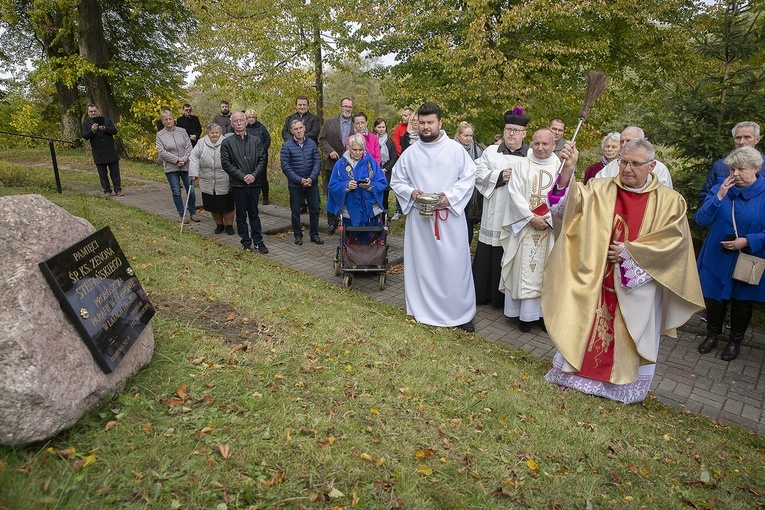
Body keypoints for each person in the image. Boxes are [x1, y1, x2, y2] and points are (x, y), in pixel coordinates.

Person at [542, 138, 704, 404]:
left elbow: (675, 245)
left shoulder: (669, 202)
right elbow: (567, 209)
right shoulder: (599, 188)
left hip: (636, 284)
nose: (627, 169)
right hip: (597, 276)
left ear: (652, 166)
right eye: (624, 162)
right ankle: (576, 376)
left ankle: (620, 386)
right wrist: (568, 170)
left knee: (629, 328)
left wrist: (630, 254)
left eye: (636, 164)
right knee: (589, 320)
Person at [391, 102, 477, 332]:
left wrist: (449, 198)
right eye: (422, 122)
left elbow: (469, 178)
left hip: (449, 218)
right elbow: (396, 181)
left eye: (431, 122)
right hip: (420, 221)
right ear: (417, 123)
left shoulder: (455, 150)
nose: (426, 127)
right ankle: (424, 310)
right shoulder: (410, 153)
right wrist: (412, 193)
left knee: (454, 265)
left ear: (440, 123)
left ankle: (460, 314)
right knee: (424, 265)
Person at [696, 146, 765, 362]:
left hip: (748, 257)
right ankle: (712, 334)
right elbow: (701, 220)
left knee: (742, 301)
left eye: (741, 169)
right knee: (714, 298)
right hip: (718, 256)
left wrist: (748, 240)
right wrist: (718, 197)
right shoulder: (721, 188)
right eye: (732, 169)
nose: (735, 174)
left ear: (756, 168)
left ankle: (735, 341)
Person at [499, 128, 560, 332]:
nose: (540, 148)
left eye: (545, 144)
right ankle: (524, 316)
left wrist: (549, 219)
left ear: (553, 145)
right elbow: (514, 194)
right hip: (525, 228)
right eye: (536, 143)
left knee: (548, 271)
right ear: (531, 143)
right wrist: (530, 217)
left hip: (549, 229)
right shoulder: (521, 165)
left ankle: (543, 316)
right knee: (523, 269)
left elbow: (565, 196)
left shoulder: (560, 167)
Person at [472, 107, 529, 309]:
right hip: (494, 213)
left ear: (524, 133)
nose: (511, 133)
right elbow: (475, 171)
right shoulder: (491, 151)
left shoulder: (530, 156)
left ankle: (505, 300)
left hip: (516, 216)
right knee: (490, 250)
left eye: (515, 130)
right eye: (508, 129)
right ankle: (483, 294)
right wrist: (499, 177)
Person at [221, 111, 269, 254]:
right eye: (235, 121)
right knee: (241, 215)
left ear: (246, 122)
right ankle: (246, 242)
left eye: (241, 120)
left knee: (254, 214)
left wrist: (253, 175)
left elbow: (262, 160)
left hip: (254, 184)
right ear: (232, 124)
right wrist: (243, 176)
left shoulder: (256, 141)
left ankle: (259, 242)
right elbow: (226, 163)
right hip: (238, 185)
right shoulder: (227, 143)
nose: (239, 123)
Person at [327, 133, 388, 243]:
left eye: (361, 150)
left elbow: (382, 183)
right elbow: (332, 186)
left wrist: (370, 186)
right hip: (349, 213)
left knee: (372, 245)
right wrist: (346, 186)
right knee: (352, 247)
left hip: (371, 212)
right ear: (348, 148)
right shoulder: (340, 164)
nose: (358, 153)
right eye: (355, 150)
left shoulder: (371, 163)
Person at [698, 122, 764, 205]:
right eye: (738, 138)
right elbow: (705, 197)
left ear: (757, 139)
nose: (741, 142)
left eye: (747, 137)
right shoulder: (719, 166)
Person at [281, 119, 323, 245]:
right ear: (291, 131)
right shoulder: (287, 146)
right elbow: (286, 166)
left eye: (300, 128)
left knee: (315, 210)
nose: (299, 131)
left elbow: (317, 162)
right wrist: (299, 180)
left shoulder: (312, 144)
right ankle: (298, 235)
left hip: (312, 183)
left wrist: (311, 178)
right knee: (295, 211)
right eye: (296, 129)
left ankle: (314, 234)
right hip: (295, 185)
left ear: (304, 128)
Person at [189, 123, 235, 235]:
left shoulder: (227, 142)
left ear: (220, 133)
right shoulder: (201, 142)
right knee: (213, 205)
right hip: (207, 179)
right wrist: (194, 172)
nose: (214, 135)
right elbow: (194, 157)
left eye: (217, 132)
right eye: (212, 132)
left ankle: (229, 226)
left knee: (227, 205)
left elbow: (234, 157)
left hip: (224, 178)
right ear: (208, 133)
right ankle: (219, 225)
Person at [156, 108, 198, 223]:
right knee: (176, 191)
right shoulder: (160, 135)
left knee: (191, 190)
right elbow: (162, 152)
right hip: (171, 168)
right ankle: (182, 214)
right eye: (165, 120)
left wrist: (184, 159)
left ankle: (192, 212)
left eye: (170, 119)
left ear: (173, 119)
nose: (168, 121)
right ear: (163, 122)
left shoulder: (182, 131)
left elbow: (189, 147)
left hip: (185, 165)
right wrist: (176, 160)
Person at [594, 126, 673, 187]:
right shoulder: (611, 167)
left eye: (629, 141)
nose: (624, 145)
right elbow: (597, 188)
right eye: (622, 141)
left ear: (642, 142)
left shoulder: (659, 169)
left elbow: (665, 198)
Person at [319, 97, 355, 232]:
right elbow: (322, 139)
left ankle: (348, 221)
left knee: (350, 192)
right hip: (332, 164)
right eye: (345, 106)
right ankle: (332, 222)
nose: (347, 109)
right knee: (333, 193)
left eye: (350, 107)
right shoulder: (329, 123)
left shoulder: (355, 125)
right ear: (340, 107)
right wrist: (330, 151)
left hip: (351, 166)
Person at [454, 121, 484, 245]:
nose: (469, 139)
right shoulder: (451, 148)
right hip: (455, 190)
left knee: (468, 222)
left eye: (471, 136)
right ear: (459, 135)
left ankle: (466, 247)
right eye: (466, 135)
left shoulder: (477, 150)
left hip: (472, 193)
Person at [82, 104, 122, 197]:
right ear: (88, 113)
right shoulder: (86, 123)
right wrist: (92, 130)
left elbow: (114, 131)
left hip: (110, 150)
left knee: (115, 172)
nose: (93, 113)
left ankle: (118, 190)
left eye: (94, 111)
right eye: (91, 112)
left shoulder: (107, 120)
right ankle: (107, 190)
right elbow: (85, 136)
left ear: (98, 110)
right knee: (103, 174)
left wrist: (105, 128)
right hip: (98, 152)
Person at [245, 109, 272, 205]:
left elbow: (268, 140)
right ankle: (252, 195)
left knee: (262, 176)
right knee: (251, 174)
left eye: (253, 117)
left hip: (262, 155)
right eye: (249, 117)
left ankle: (265, 196)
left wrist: (261, 150)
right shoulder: (244, 128)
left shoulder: (262, 128)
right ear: (246, 118)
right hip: (249, 156)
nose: (251, 119)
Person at [373, 118, 398, 217]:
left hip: (386, 173)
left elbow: (394, 158)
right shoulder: (373, 140)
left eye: (383, 127)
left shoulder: (390, 142)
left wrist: (386, 169)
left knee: (385, 196)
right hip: (375, 171)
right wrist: (377, 168)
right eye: (379, 127)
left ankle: (385, 217)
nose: (381, 129)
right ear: (375, 128)